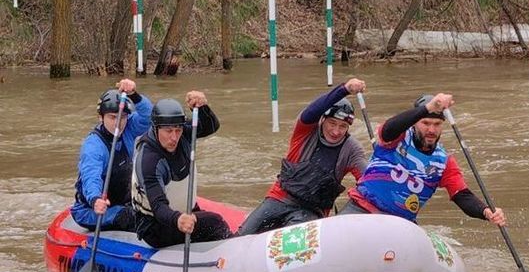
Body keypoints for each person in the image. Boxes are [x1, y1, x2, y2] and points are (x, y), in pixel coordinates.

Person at [338, 93, 507, 227]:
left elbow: (461, 195)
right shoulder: (397, 137)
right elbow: (388, 129)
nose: (431, 130)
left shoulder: (443, 162)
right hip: (361, 208)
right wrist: (429, 107)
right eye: (425, 123)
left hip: (401, 223)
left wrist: (486, 212)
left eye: (437, 124)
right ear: (414, 123)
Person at [236, 78, 369, 235]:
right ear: (323, 120)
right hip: (280, 198)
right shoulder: (305, 131)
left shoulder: (352, 149)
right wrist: (344, 89)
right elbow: (312, 110)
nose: (336, 131)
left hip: (313, 211)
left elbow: (368, 182)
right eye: (332, 123)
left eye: (343, 127)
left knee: (289, 246)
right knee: (242, 235)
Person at [131, 91, 231, 248]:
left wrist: (202, 107)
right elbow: (158, 206)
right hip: (156, 225)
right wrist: (178, 219)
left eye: (177, 130)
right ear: (156, 129)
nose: (174, 137)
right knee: (215, 222)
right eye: (168, 131)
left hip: (185, 211)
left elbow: (211, 127)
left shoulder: (183, 134)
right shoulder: (149, 159)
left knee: (207, 222)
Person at [71, 79, 153, 232]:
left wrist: (134, 96)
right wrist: (95, 199)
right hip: (92, 211)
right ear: (101, 118)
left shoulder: (128, 127)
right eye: (112, 117)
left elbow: (149, 117)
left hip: (123, 202)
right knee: (132, 218)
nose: (118, 123)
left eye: (122, 117)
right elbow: (91, 176)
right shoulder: (94, 146)